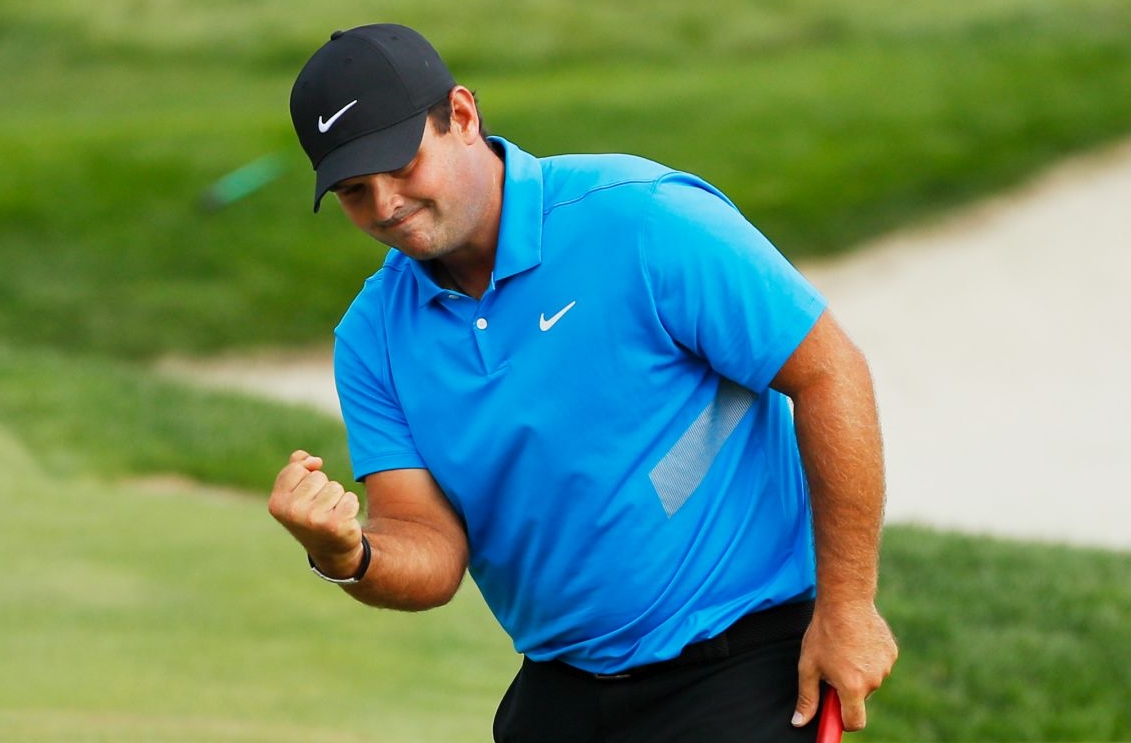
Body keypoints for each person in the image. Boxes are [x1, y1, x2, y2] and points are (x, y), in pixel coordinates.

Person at [269, 22, 897, 743]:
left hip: (740, 663)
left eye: (400, 165)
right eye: (353, 191)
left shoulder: (642, 219)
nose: (383, 206)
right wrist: (347, 554)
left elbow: (826, 372)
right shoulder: (373, 334)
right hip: (564, 689)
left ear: (464, 117)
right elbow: (427, 547)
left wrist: (847, 606)